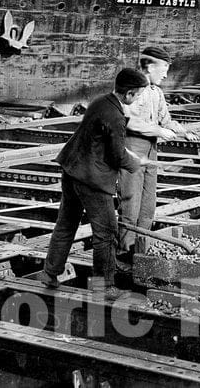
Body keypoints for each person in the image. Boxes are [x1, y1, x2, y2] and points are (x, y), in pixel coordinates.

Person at [37, 67, 149, 300]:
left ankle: (50, 273)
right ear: (128, 94)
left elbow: (103, 141)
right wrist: (135, 163)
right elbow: (117, 155)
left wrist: (127, 154)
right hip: (91, 180)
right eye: (137, 95)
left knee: (66, 225)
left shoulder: (100, 102)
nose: (137, 99)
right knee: (106, 232)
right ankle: (104, 287)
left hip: (72, 171)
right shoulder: (116, 116)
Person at [117, 46, 200, 263]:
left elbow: (166, 120)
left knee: (148, 206)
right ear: (149, 66)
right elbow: (130, 121)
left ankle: (140, 250)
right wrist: (160, 131)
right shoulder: (133, 89)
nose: (165, 74)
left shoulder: (156, 92)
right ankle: (123, 254)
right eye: (163, 68)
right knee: (130, 204)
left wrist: (184, 132)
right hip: (132, 149)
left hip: (151, 151)